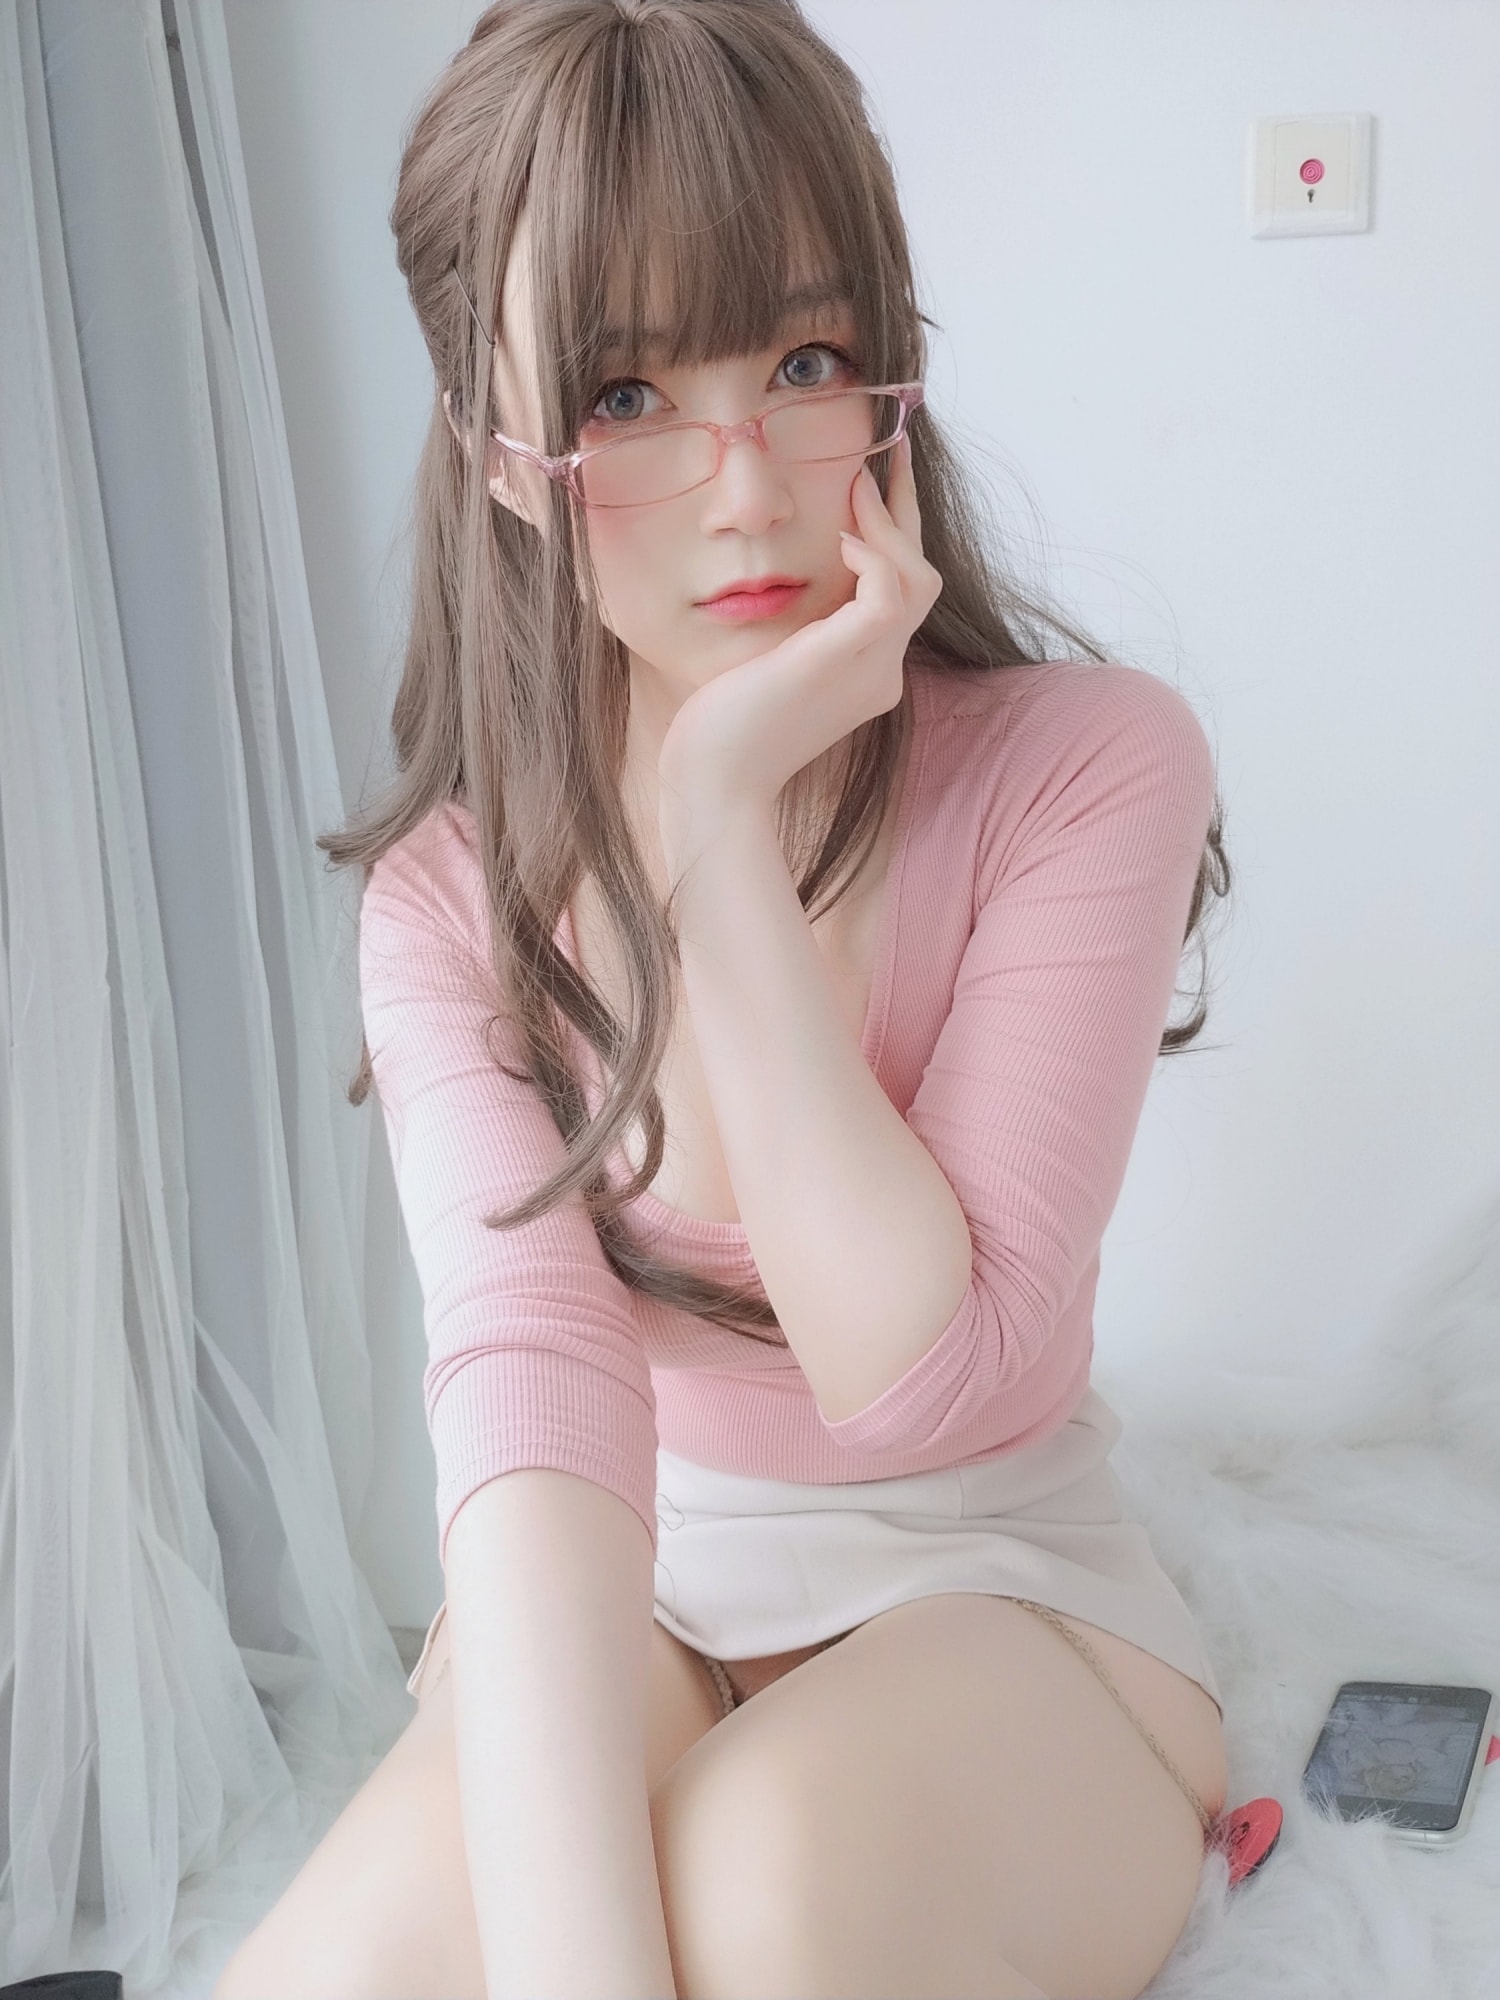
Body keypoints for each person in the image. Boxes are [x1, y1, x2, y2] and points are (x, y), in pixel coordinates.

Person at [215, 3, 1235, 1996]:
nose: (748, 489)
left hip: (1006, 1599)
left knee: (761, 1901)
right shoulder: (450, 899)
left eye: (804, 363)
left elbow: (930, 1383)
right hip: (647, 1595)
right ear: (498, 457)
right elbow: (531, 1394)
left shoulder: (1089, 766)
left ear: (891, 370)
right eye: (624, 396)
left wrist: (713, 829)